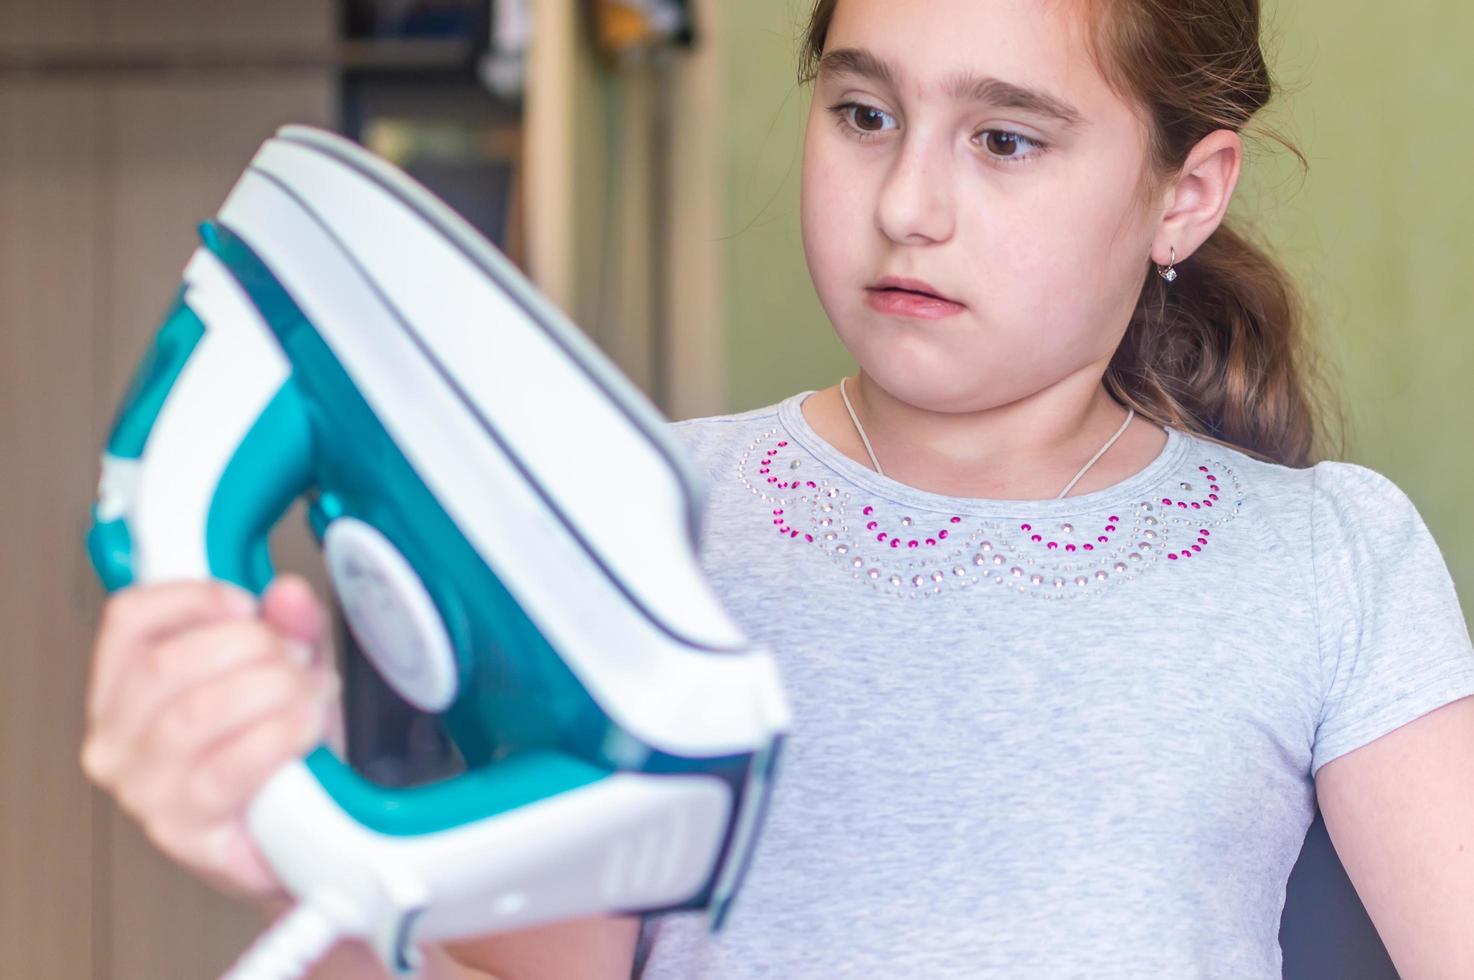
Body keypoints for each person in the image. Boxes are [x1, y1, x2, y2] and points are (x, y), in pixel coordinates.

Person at [80, 0, 1474, 977]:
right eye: (864, 112)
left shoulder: (1327, 559)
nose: (905, 205)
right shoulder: (637, 518)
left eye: (1004, 140)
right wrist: (287, 841)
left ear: (1185, 192)